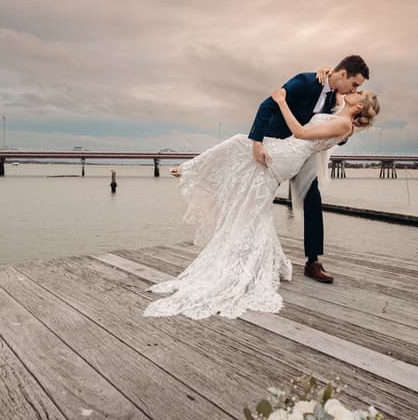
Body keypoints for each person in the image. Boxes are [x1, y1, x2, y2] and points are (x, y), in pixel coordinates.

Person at [144, 88, 380, 320]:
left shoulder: (343, 125)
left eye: (360, 93)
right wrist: (326, 72)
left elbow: (299, 132)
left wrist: (281, 101)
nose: (354, 90)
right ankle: (193, 173)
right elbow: (335, 87)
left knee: (239, 144)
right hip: (288, 149)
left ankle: (189, 170)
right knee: (254, 203)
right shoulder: (342, 114)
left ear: (359, 106)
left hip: (290, 151)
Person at [250, 56, 370, 283]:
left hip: (303, 154)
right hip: (277, 147)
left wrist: (348, 130)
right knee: (259, 197)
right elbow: (268, 105)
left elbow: (336, 132)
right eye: (355, 84)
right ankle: (254, 252)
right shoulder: (306, 81)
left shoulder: (338, 98)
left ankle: (313, 262)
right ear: (343, 74)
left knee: (313, 200)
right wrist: (257, 142)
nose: (354, 89)